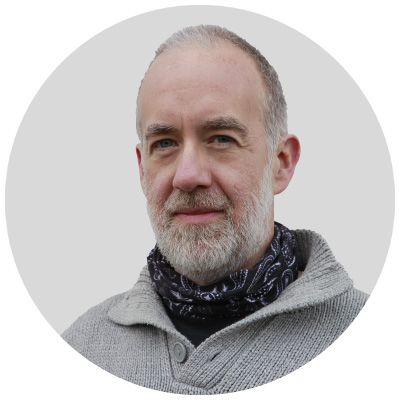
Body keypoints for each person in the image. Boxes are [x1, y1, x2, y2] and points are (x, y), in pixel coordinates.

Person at [62, 25, 368, 394]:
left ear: (281, 163)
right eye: (165, 143)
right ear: (142, 170)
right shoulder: (79, 352)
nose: (188, 176)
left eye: (221, 138)